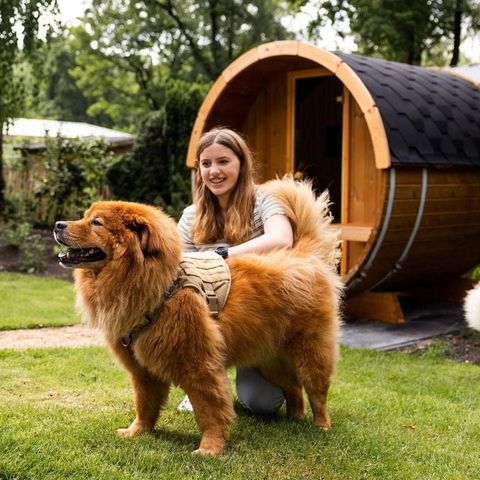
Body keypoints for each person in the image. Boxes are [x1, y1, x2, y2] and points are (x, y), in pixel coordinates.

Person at [176, 127, 294, 416]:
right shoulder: (191, 215)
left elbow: (282, 239)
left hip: (254, 319)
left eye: (223, 161)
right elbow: (176, 267)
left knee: (261, 405)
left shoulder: (263, 200)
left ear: (241, 163)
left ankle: (285, 380)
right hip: (207, 319)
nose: (214, 171)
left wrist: (222, 255)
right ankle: (202, 383)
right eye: (206, 164)